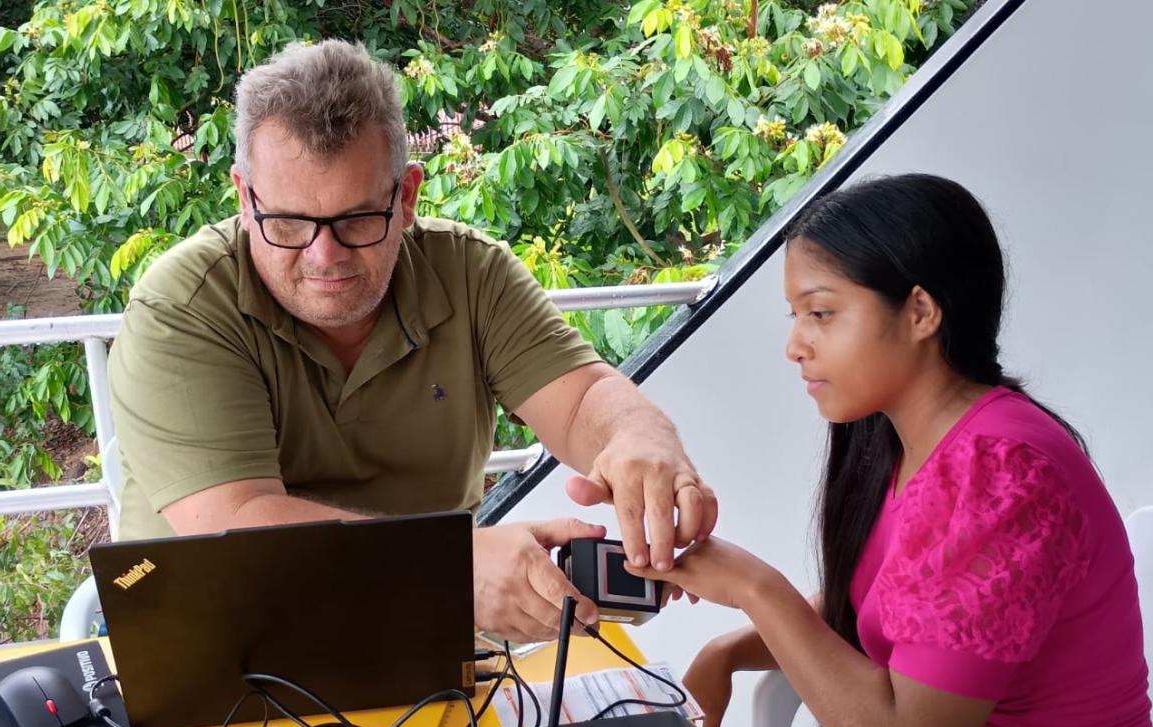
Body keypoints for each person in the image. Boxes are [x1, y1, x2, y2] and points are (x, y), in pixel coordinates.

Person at [106, 40, 716, 644]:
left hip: (417, 638)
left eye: (356, 220)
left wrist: (639, 438)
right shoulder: (182, 307)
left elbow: (584, 402)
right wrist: (450, 569)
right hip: (205, 645)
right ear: (245, 198)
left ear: (406, 198)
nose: (325, 256)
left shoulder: (473, 275)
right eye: (288, 222)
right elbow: (235, 526)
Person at [628, 174, 1153, 727]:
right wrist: (727, 652)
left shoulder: (999, 470)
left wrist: (754, 588)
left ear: (919, 311)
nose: (794, 345)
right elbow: (902, 606)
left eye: (821, 313)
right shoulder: (909, 444)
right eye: (796, 315)